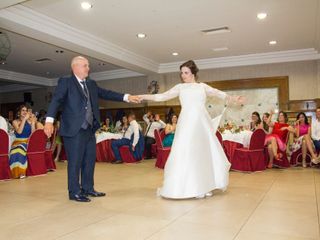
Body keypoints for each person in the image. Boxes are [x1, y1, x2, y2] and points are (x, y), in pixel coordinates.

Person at [139, 60, 243, 199]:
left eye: (186, 72)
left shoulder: (202, 87)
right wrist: (143, 96)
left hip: (201, 122)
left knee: (202, 153)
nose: (183, 75)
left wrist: (234, 98)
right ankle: (190, 186)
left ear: (193, 73)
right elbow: (161, 96)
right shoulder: (180, 87)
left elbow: (218, 93)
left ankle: (205, 185)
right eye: (181, 73)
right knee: (186, 151)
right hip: (187, 122)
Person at [44, 56, 140, 202]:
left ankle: (88, 188)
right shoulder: (66, 82)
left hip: (89, 129)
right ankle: (74, 192)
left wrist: (127, 97)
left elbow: (107, 93)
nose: (88, 68)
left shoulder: (91, 84)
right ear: (75, 67)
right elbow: (56, 100)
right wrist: (49, 121)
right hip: (73, 130)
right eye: (85, 66)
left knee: (89, 161)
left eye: (88, 66)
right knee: (75, 162)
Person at [9, 105, 36, 178]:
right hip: (17, 142)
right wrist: (24, 120)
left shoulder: (30, 121)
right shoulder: (15, 122)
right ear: (19, 112)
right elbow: (19, 132)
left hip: (28, 142)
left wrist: (33, 123)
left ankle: (21, 172)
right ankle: (15, 172)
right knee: (15, 150)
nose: (25, 112)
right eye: (23, 110)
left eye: (26, 110)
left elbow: (33, 134)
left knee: (19, 149)